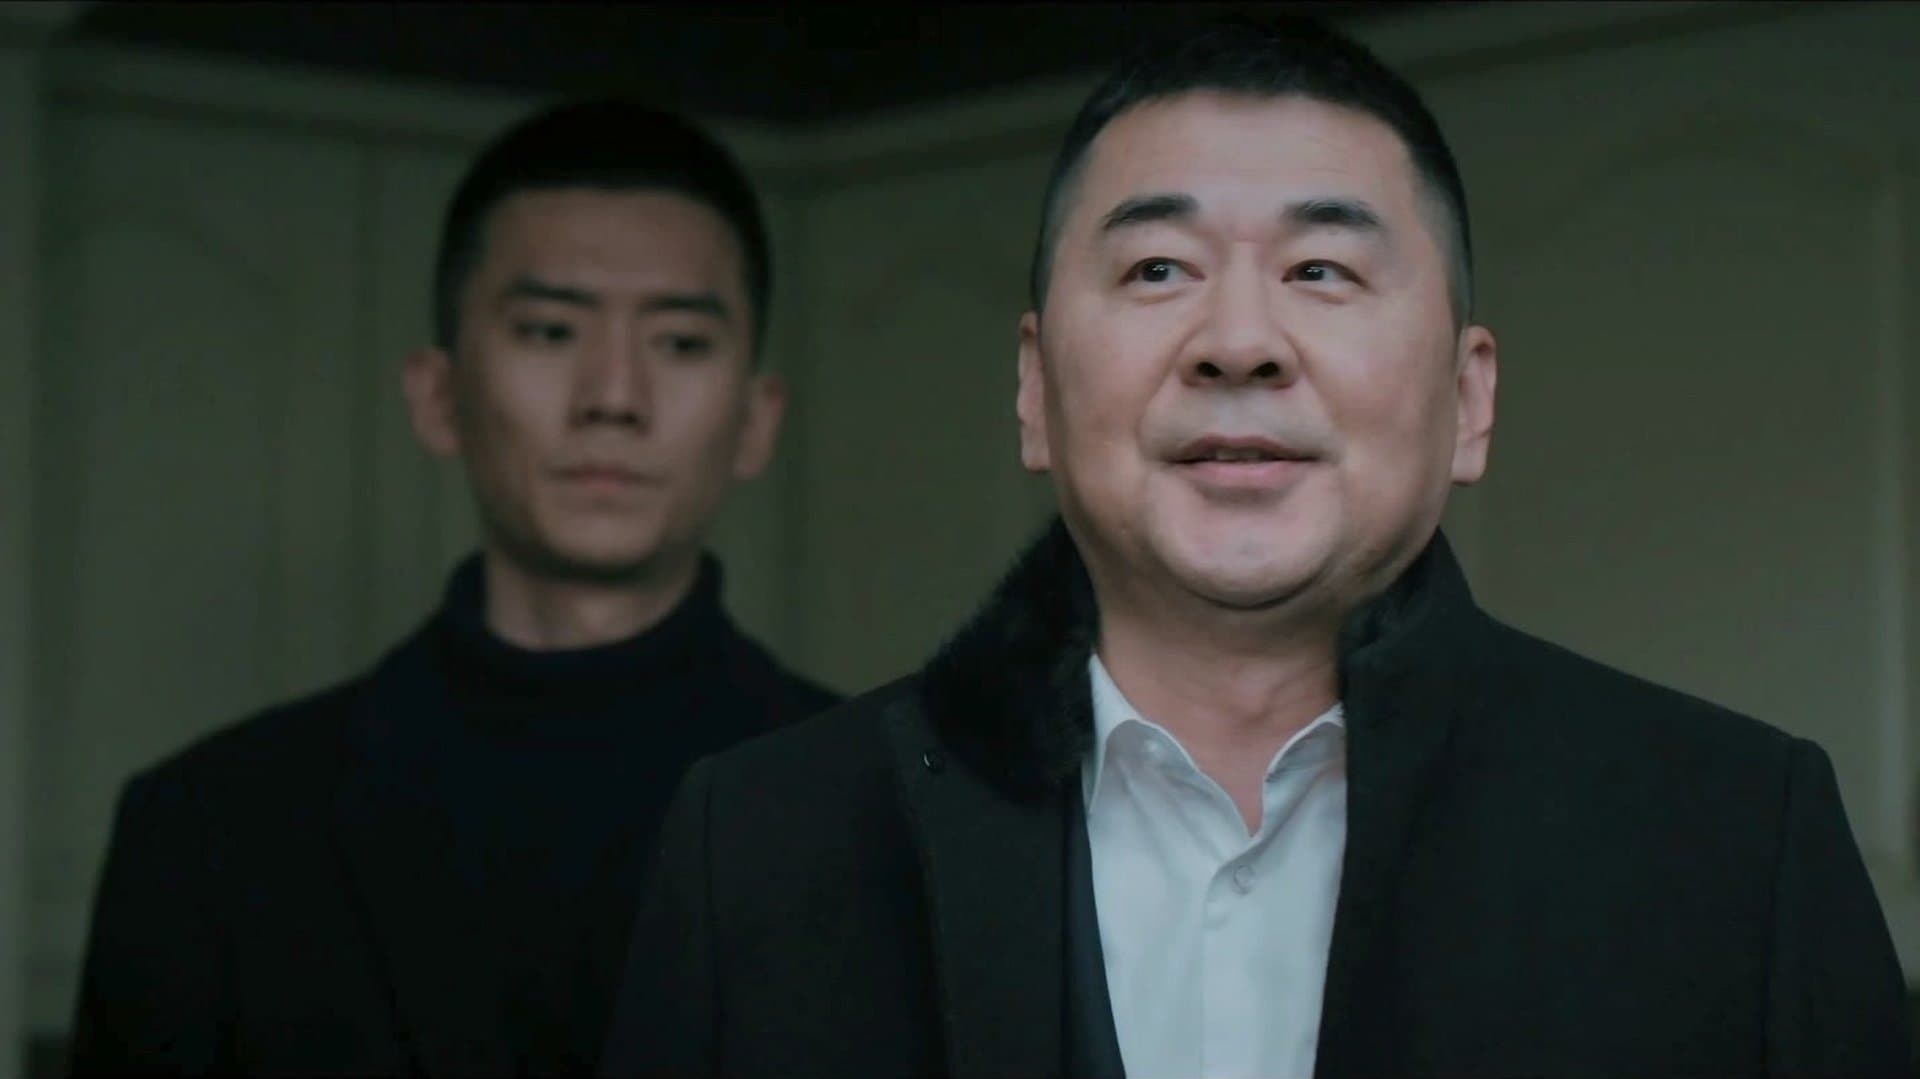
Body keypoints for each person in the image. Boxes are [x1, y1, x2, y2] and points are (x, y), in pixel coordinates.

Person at [600, 16, 1910, 1078]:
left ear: (1469, 400)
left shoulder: (1735, 840)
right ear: (1034, 388)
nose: (1239, 341)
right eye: (1158, 269)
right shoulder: (765, 844)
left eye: (1322, 271)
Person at [69, 98, 838, 1076]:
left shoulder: (905, 817)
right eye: (550, 331)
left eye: (682, 342)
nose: (614, 397)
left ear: (757, 419)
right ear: (438, 394)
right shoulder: (207, 832)